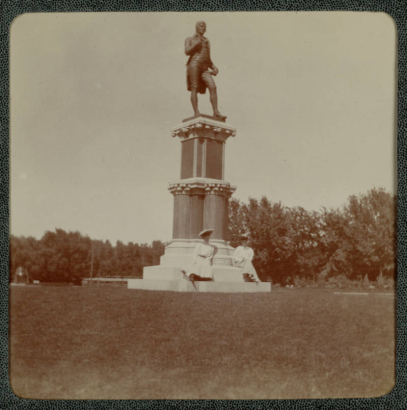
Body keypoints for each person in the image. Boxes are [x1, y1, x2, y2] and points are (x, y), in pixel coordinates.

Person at [185, 21, 226, 121]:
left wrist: (214, 67)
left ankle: (216, 112)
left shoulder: (207, 41)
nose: (203, 27)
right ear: (196, 28)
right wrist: (197, 44)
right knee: (194, 86)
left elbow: (207, 58)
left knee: (213, 87)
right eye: (201, 26)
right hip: (194, 64)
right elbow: (187, 51)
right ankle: (196, 112)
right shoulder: (189, 39)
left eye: (204, 26)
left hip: (204, 68)